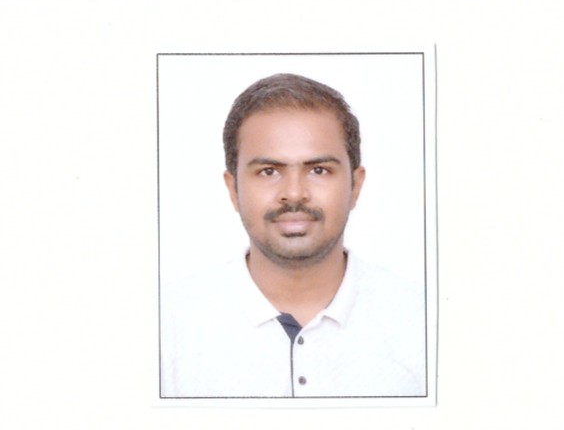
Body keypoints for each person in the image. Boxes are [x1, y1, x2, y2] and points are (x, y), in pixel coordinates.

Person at [160, 73, 426, 398]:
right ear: (233, 189)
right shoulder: (164, 328)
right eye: (269, 171)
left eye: (318, 170)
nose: (295, 193)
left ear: (355, 186)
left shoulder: (423, 323)